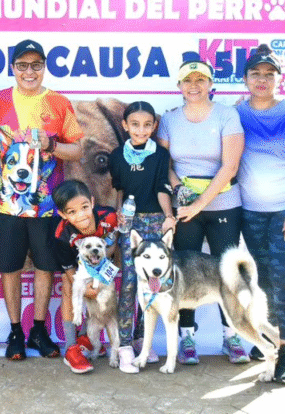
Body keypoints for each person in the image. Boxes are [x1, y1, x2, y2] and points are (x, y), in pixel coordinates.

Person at [0, 39, 84, 361]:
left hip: (48, 207)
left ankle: (38, 329)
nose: (30, 72)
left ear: (44, 67)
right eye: (23, 65)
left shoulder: (58, 103)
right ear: (13, 68)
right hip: (7, 206)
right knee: (10, 269)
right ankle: (15, 330)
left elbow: (78, 149)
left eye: (36, 65)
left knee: (45, 268)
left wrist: (52, 145)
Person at [157, 60, 248, 366]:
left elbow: (230, 166)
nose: (193, 86)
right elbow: (164, 163)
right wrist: (180, 189)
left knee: (226, 273)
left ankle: (232, 336)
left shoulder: (227, 114)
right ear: (179, 86)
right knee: (184, 272)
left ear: (211, 84)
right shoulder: (169, 119)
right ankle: (187, 339)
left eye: (200, 80)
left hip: (223, 204)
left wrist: (199, 204)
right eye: (187, 80)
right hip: (186, 206)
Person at [237, 43, 285, 384]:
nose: (262, 80)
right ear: (245, 78)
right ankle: (270, 339)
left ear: (280, 79)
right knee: (265, 279)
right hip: (252, 213)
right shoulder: (235, 112)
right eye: (256, 73)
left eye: (269, 74)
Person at [107, 101, 175, 373]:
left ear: (154, 126)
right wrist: (117, 216)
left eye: (147, 125)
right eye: (135, 124)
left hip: (156, 223)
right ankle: (124, 346)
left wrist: (169, 217)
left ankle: (140, 339)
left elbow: (162, 187)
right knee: (130, 284)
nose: (141, 130)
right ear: (125, 126)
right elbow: (119, 190)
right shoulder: (116, 155)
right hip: (130, 225)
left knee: (154, 285)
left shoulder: (159, 154)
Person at [52, 179, 118, 374]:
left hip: (103, 262)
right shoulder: (61, 234)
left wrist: (100, 274)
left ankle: (87, 339)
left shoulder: (109, 217)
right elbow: (69, 270)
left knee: (104, 290)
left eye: (84, 207)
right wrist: (86, 288)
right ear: (63, 214)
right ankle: (71, 348)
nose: (81, 215)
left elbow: (113, 250)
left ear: (92, 202)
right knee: (69, 284)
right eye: (72, 212)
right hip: (77, 265)